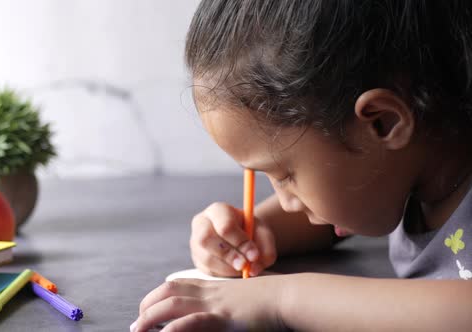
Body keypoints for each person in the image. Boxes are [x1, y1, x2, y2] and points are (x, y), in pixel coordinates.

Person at [132, 1, 472, 331]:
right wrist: (250, 235)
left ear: (382, 123)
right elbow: (338, 214)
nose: (286, 201)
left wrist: (282, 300)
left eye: (285, 175)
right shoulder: (406, 168)